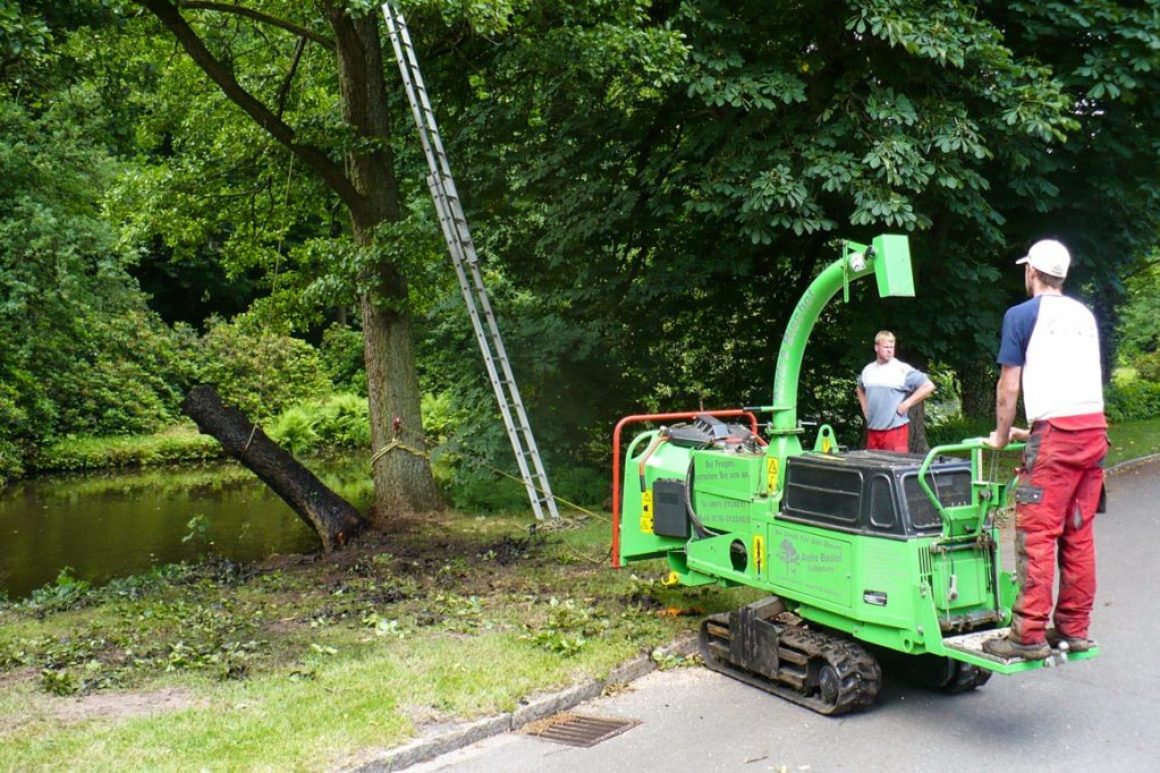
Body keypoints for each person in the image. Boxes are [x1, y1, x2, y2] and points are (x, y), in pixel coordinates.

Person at [982, 238, 1108, 660]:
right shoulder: (1083, 315)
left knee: (1036, 532)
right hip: (1092, 435)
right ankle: (1074, 628)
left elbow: (1009, 383)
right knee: (1078, 532)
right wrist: (1031, 430)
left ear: (1031, 272)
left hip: (1055, 440)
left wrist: (1002, 435)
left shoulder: (1022, 315)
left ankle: (1027, 635)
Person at [855, 331, 935, 452]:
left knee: (895, 468)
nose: (889, 350)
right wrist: (865, 407)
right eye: (886, 347)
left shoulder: (901, 369)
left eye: (892, 347)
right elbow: (859, 388)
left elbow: (928, 385)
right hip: (873, 431)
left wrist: (906, 404)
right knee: (873, 468)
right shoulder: (868, 370)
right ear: (877, 347)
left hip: (895, 431)